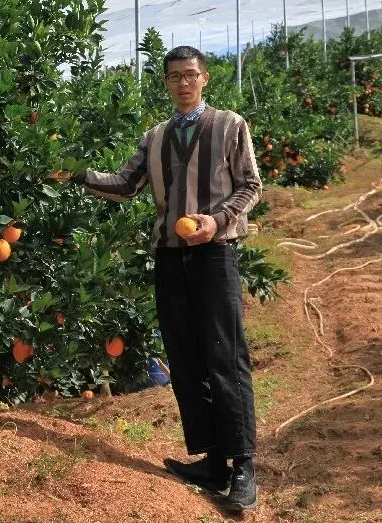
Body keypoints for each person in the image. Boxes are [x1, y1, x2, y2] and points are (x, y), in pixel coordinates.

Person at [61, 46, 262, 511]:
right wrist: (74, 174)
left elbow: (251, 185)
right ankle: (212, 462)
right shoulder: (155, 136)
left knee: (225, 355)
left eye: (190, 74)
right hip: (170, 258)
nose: (183, 83)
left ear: (205, 78)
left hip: (215, 254)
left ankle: (243, 466)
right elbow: (124, 185)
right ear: (167, 83)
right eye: (175, 77)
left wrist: (217, 219)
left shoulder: (229, 125)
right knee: (185, 358)